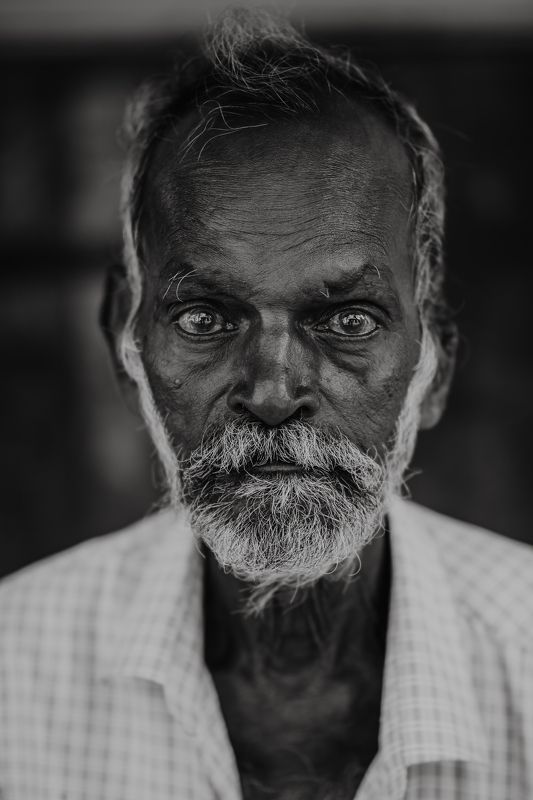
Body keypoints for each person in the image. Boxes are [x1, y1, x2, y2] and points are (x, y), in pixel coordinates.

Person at [1, 8, 532, 800]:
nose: (274, 391)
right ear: (125, 341)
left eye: (348, 320)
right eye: (205, 318)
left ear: (436, 361)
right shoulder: (15, 673)